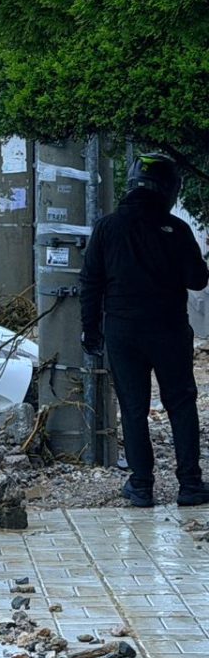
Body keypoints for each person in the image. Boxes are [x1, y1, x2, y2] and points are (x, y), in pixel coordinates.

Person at [80, 152, 209, 507]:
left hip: (122, 331)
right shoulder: (177, 229)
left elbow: (90, 282)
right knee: (181, 404)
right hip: (169, 329)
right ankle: (190, 484)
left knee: (133, 407)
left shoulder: (107, 228)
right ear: (169, 189)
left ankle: (141, 486)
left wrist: (90, 332)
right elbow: (197, 280)